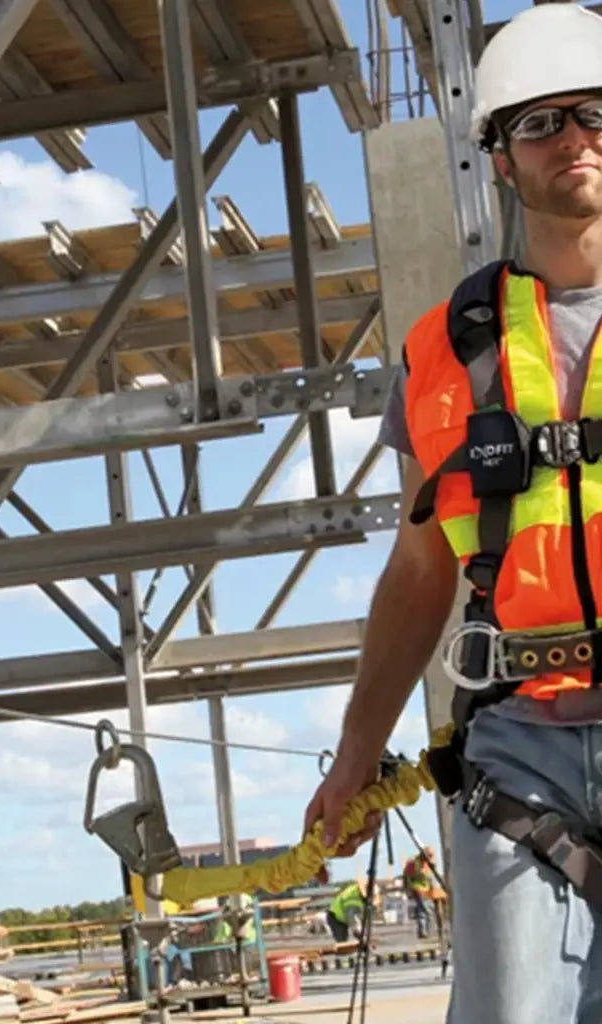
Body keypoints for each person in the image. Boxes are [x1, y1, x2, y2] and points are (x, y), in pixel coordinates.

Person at [302, 5, 602, 1022]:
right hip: (514, 742)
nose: (573, 136)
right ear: (501, 160)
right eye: (540, 121)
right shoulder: (445, 348)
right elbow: (420, 570)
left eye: (595, 111)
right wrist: (355, 752)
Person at [402, 846, 435, 939]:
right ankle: (424, 931)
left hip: (427, 890)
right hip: (418, 889)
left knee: (423, 911)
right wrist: (407, 889)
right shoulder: (414, 863)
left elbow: (430, 877)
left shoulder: (428, 864)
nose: (430, 857)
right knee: (427, 911)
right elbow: (406, 876)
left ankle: (423, 931)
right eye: (429, 855)